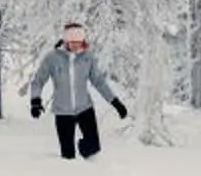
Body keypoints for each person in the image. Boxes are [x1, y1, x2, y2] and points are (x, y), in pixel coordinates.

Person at [26, 20, 128, 161]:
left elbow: (99, 82)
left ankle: (90, 171)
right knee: (68, 156)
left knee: (93, 147)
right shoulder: (53, 58)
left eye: (78, 41)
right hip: (62, 111)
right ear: (66, 40)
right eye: (72, 41)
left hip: (84, 108)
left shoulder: (87, 58)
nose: (76, 45)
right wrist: (35, 101)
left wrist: (115, 102)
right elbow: (38, 81)